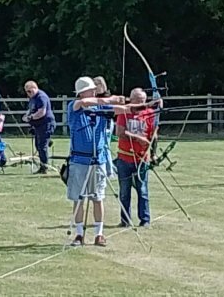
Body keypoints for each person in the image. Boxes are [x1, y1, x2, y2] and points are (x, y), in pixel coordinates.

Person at [66, 76, 130, 247]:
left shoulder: (102, 107)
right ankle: (79, 234)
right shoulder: (74, 105)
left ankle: (99, 234)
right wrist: (111, 99)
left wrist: (142, 106)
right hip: (80, 160)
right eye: (91, 89)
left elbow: (121, 109)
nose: (94, 91)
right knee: (78, 199)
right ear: (81, 92)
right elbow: (86, 103)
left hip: (98, 160)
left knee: (98, 198)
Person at [115, 88, 160, 227]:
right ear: (131, 100)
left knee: (143, 190)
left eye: (143, 101)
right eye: (138, 101)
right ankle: (125, 220)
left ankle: (145, 220)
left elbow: (154, 135)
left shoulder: (150, 113)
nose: (141, 103)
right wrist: (137, 138)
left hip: (142, 158)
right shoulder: (124, 111)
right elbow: (119, 132)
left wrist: (153, 153)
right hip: (124, 158)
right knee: (124, 192)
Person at [22, 81, 55, 174]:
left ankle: (44, 167)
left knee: (42, 146)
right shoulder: (32, 98)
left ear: (35, 88)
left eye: (29, 91)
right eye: (27, 91)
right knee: (38, 145)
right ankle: (47, 142)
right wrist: (27, 115)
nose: (28, 93)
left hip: (46, 123)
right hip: (38, 125)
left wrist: (31, 117)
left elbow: (41, 112)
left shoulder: (41, 97)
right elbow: (31, 109)